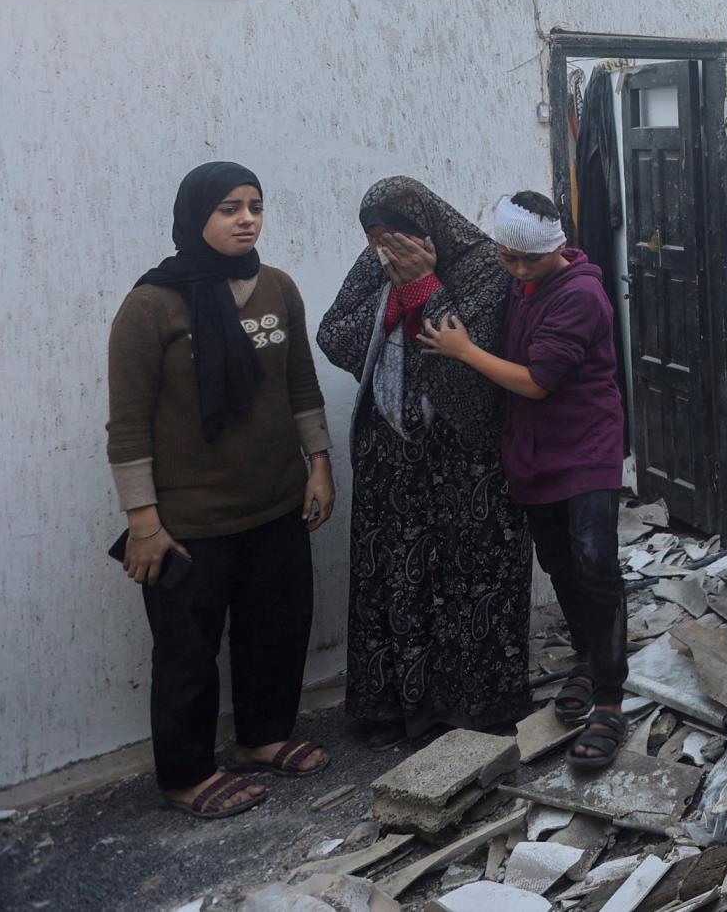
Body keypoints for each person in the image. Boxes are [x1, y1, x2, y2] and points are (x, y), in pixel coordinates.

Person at [107, 162, 334, 820]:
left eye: (255, 205)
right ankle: (186, 772)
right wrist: (143, 520)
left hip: (275, 502)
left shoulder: (279, 288)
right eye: (229, 207)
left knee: (277, 628)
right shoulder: (151, 304)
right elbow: (127, 423)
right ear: (195, 216)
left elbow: (300, 386)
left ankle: (263, 736)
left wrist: (318, 464)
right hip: (188, 518)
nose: (246, 218)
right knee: (186, 652)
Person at [317, 178, 533, 748]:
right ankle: (393, 707)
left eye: (397, 235)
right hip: (392, 459)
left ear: (429, 223)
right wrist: (396, 298)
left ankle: (475, 707)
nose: (387, 249)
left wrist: (424, 290)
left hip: (468, 461)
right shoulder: (376, 265)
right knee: (395, 580)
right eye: (374, 237)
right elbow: (334, 334)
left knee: (471, 580)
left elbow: (470, 372)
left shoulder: (488, 267)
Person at [418, 190, 629, 769]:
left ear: (555, 248)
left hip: (586, 445)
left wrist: (461, 350)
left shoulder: (580, 295)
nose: (514, 271)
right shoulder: (516, 278)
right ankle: (588, 659)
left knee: (595, 563)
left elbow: (538, 381)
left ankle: (610, 701)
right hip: (533, 448)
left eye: (526, 261)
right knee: (559, 560)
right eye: (506, 259)